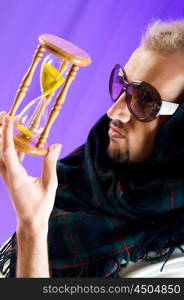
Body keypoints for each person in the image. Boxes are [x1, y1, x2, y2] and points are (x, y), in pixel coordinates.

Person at [1, 19, 184, 278]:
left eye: (145, 100)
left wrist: (32, 228)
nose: (114, 112)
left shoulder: (173, 264)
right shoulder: (83, 176)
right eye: (123, 86)